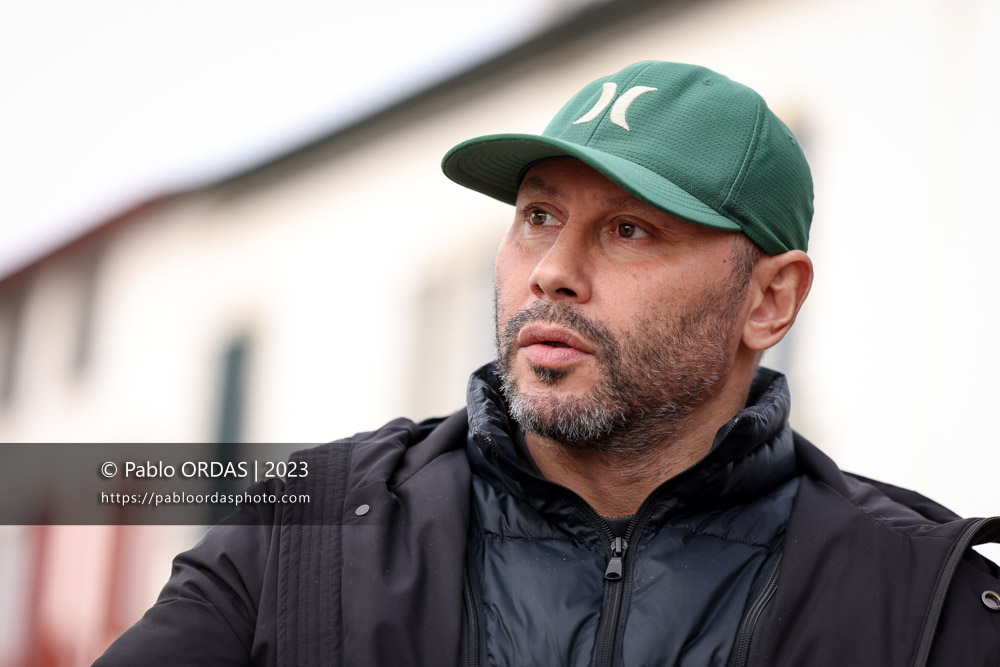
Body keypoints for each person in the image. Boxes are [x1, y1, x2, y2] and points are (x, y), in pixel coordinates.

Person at [95, 61, 1000, 667]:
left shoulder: (928, 601)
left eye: (629, 229)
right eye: (537, 216)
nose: (554, 272)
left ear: (769, 300)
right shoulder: (306, 538)